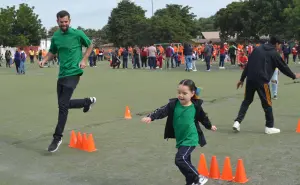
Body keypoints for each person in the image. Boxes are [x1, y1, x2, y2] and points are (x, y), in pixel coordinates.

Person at [39, 10, 96, 152]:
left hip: (74, 72)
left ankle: (57, 138)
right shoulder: (56, 36)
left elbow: (90, 45)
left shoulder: (78, 34)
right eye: (61, 22)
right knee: (62, 104)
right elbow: (52, 51)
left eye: (66, 21)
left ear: (69, 21)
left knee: (63, 107)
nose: (64, 24)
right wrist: (45, 60)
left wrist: (84, 59)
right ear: (57, 21)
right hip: (62, 74)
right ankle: (87, 101)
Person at [141, 79, 217, 185]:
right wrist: (151, 117)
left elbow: (203, 118)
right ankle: (190, 182)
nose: (181, 95)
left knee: (180, 159)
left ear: (192, 93)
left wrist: (210, 126)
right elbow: (161, 111)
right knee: (185, 163)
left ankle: (198, 177)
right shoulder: (173, 104)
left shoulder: (195, 106)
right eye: (179, 92)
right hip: (181, 139)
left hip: (191, 138)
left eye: (184, 93)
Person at [233, 36, 300, 134]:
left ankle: (237, 122)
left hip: (250, 79)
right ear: (276, 44)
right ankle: (269, 126)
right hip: (262, 80)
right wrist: (294, 76)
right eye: (280, 45)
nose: (280, 47)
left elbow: (249, 64)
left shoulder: (257, 49)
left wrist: (242, 79)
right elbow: (283, 67)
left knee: (247, 101)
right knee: (267, 103)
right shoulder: (274, 53)